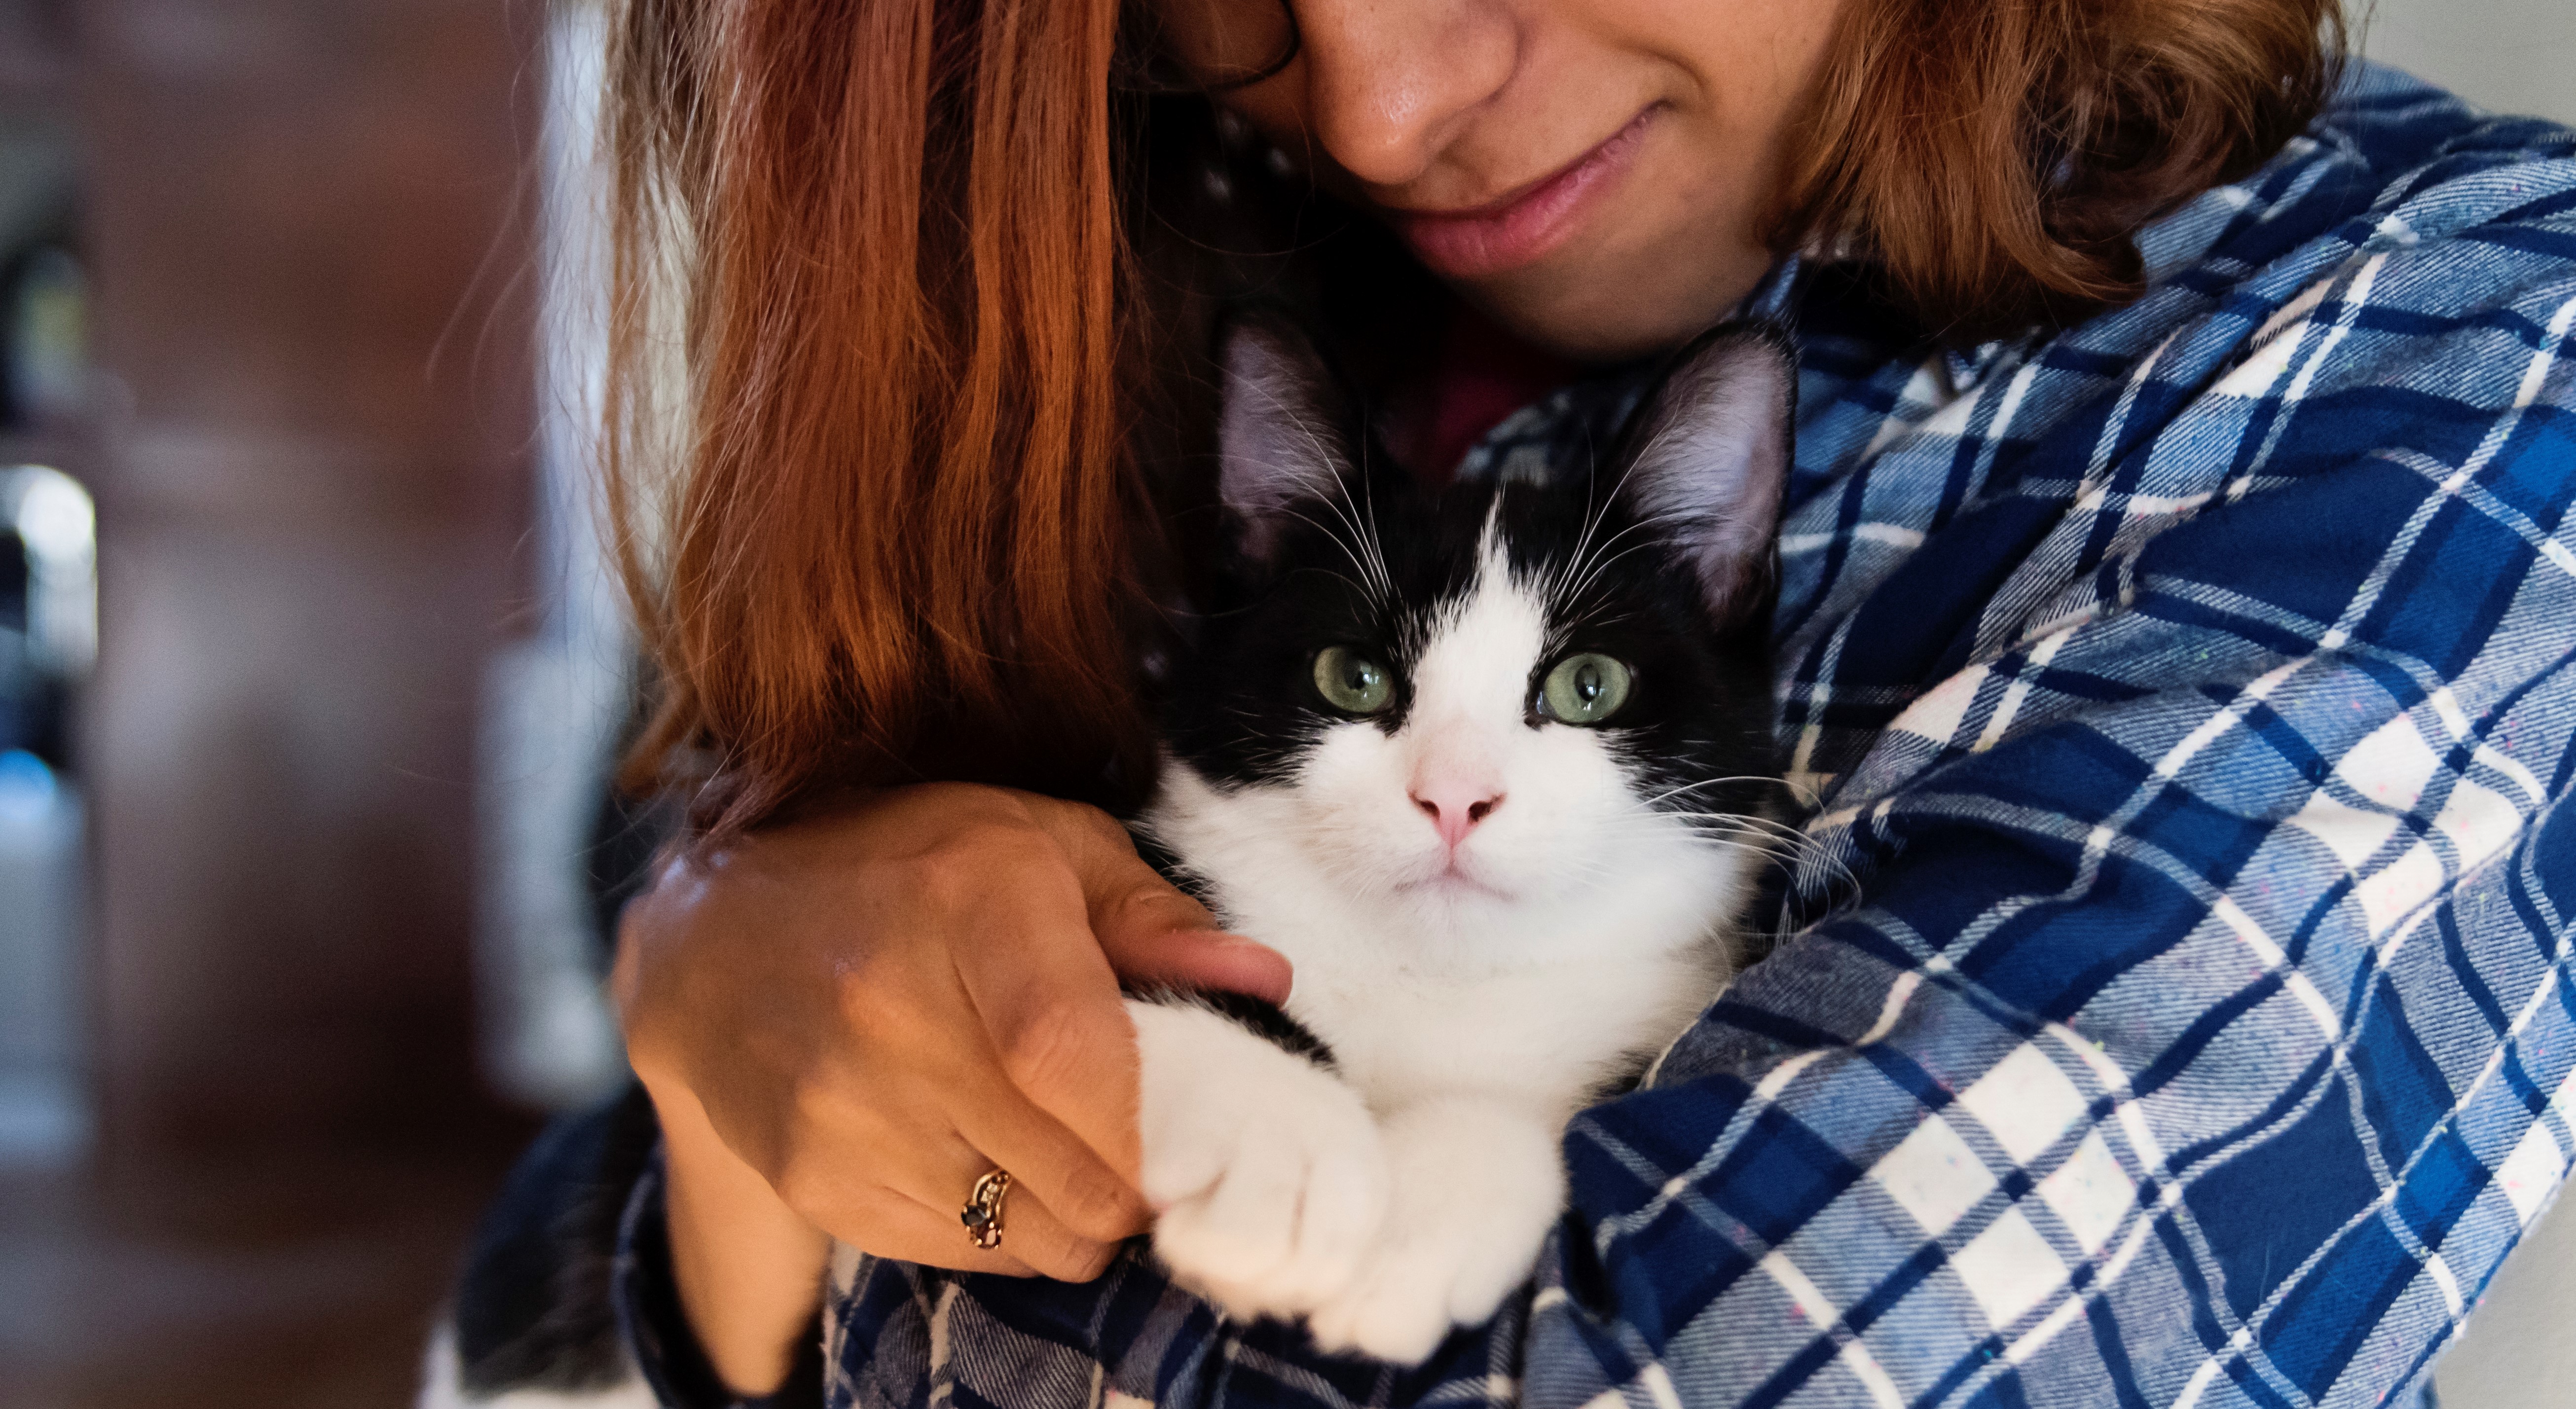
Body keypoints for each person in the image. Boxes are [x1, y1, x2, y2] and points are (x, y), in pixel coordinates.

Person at [571, 0, 2576, 1405]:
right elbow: (602, 1292)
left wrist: (884, 1188)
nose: (1373, 100)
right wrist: (707, 996)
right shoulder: (1158, 337)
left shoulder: (2463, 347)